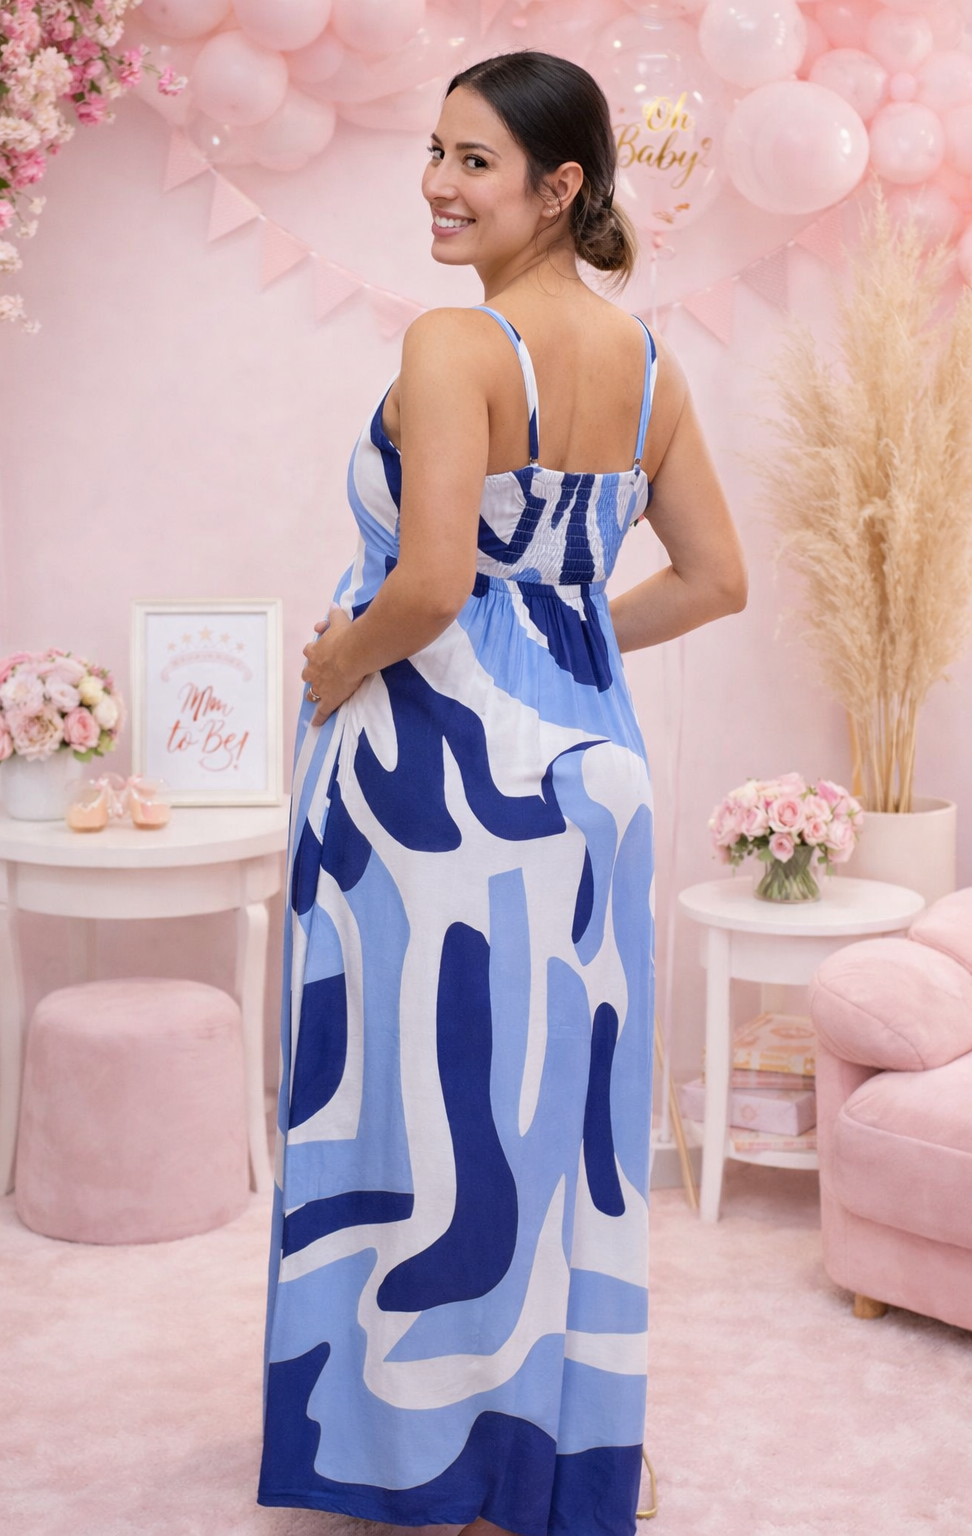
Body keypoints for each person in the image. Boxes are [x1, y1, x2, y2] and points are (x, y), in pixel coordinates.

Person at [257, 47, 747, 1536]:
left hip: (434, 784)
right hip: (594, 779)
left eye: (474, 160)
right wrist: (566, 645)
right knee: (554, 1124)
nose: (437, 183)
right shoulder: (649, 362)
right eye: (434, 151)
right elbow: (716, 580)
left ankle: (425, 1457)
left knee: (423, 1118)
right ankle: (550, 1456)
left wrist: (333, 666)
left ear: (559, 185)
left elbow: (426, 585)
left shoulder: (454, 344)